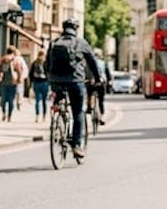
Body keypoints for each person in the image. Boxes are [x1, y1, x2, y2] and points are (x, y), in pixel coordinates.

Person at [46, 18, 100, 158]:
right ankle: (76, 145)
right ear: (76, 29)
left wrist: (50, 78)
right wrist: (98, 78)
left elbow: (47, 64)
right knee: (78, 112)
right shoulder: (81, 43)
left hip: (56, 81)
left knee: (59, 98)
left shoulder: (54, 42)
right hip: (75, 81)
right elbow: (92, 62)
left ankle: (58, 117)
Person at [0, 47, 23, 122]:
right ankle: (9, 116)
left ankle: (3, 113)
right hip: (13, 83)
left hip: (4, 82)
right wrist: (19, 79)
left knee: (3, 100)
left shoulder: (3, 59)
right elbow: (19, 71)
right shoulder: (15, 60)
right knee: (11, 100)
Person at [29, 50, 49, 122]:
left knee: (37, 100)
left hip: (36, 83)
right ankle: (44, 116)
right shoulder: (46, 63)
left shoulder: (34, 63)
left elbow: (30, 74)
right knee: (44, 100)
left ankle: (37, 116)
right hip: (44, 82)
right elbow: (48, 72)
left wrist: (31, 83)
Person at [88, 55, 109, 124]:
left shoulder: (88, 63)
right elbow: (107, 72)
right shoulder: (103, 63)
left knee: (89, 94)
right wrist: (109, 81)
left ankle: (89, 107)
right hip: (101, 82)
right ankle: (101, 117)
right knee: (101, 101)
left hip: (91, 83)